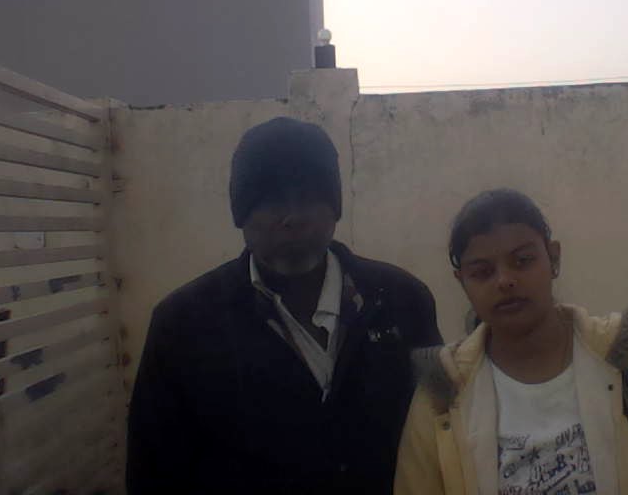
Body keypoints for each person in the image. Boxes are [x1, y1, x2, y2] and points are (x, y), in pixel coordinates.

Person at [127, 117, 443, 494]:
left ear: (335, 207)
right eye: (271, 200)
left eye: (308, 196)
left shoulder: (402, 300)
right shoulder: (182, 325)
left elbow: (443, 421)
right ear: (241, 213)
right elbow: (153, 473)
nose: (292, 217)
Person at [395, 188, 628, 495]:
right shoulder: (443, 387)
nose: (505, 280)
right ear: (462, 282)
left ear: (553, 258)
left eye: (523, 261)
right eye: (482, 272)